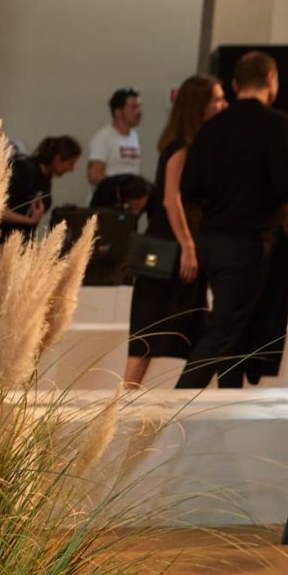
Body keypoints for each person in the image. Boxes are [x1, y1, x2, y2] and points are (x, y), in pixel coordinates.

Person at [176, 51, 288, 390]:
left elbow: (190, 188)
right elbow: (287, 185)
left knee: (234, 326)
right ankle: (172, 407)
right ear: (271, 78)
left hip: (210, 241)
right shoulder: (276, 125)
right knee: (225, 328)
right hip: (249, 241)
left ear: (235, 84)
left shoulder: (211, 127)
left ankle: (228, 400)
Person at [122, 76, 225, 387]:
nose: (222, 104)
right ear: (199, 104)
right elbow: (170, 197)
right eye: (216, 99)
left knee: (186, 329)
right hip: (173, 246)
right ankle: (124, 397)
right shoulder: (181, 146)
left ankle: (171, 394)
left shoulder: (196, 144)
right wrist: (188, 246)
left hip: (184, 243)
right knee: (149, 329)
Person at [0, 136, 81, 244]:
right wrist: (29, 220)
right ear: (58, 159)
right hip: (3, 240)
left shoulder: (46, 177)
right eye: (70, 164)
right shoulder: (25, 169)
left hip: (21, 242)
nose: (71, 169)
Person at [86, 87, 143, 190]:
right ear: (118, 112)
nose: (139, 112)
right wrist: (121, 188)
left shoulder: (134, 136)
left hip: (129, 197)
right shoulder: (103, 137)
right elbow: (94, 176)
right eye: (133, 107)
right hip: (107, 198)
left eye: (139, 106)